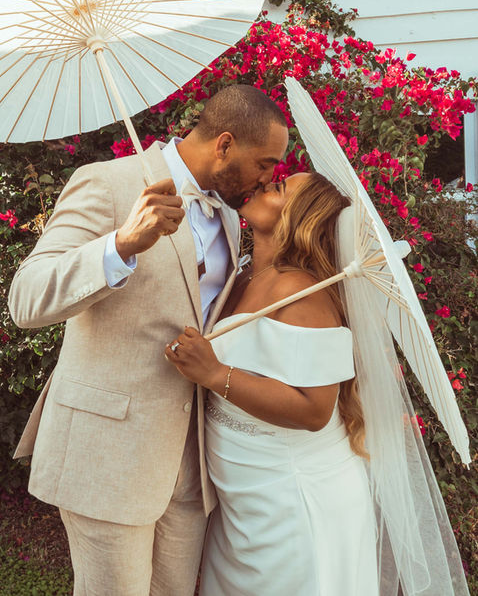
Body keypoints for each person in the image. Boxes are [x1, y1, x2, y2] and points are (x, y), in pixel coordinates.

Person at [8, 83, 289, 596]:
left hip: (188, 464)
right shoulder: (107, 183)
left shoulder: (227, 212)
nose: (268, 178)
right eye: (265, 163)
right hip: (108, 455)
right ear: (224, 144)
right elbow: (26, 300)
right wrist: (120, 246)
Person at [167, 171, 470, 596]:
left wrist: (215, 374)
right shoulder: (245, 274)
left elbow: (314, 410)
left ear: (300, 216)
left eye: (280, 189)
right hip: (242, 501)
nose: (265, 185)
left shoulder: (304, 292)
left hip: (295, 501)